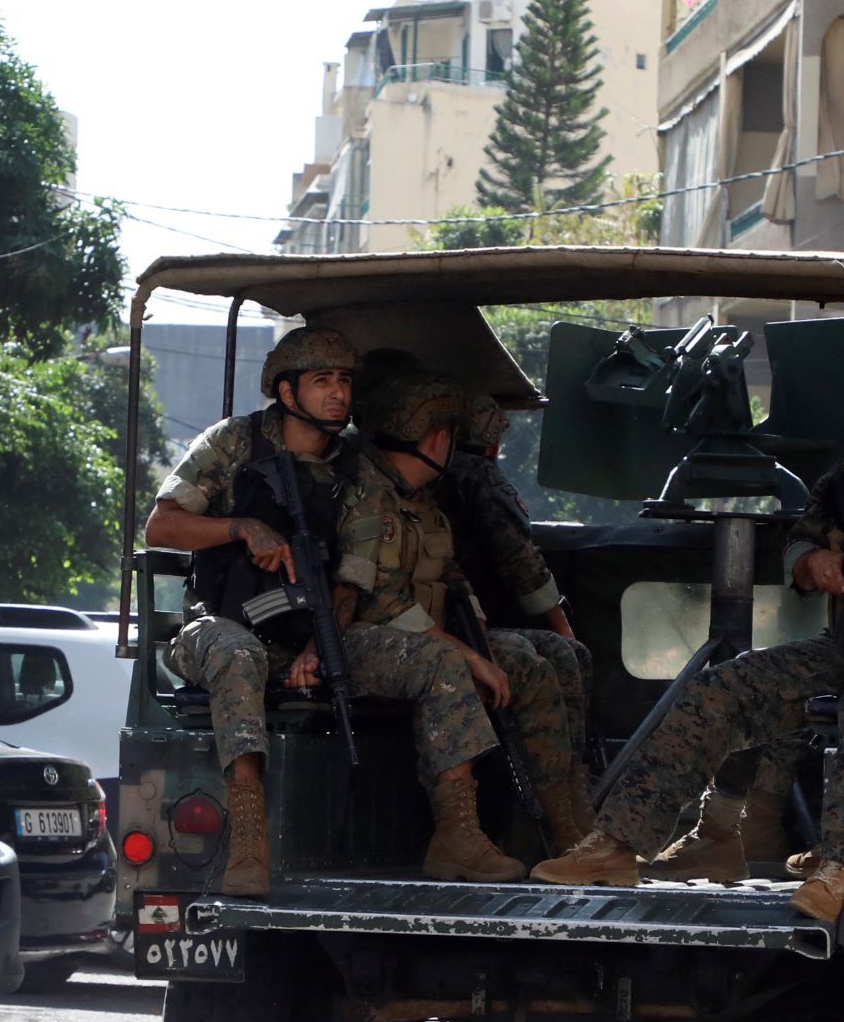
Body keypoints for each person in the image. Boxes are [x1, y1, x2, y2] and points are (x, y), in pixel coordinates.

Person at [535, 344, 844, 922]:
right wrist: (813, 566)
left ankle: (836, 867)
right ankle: (624, 843)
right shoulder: (843, 485)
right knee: (719, 689)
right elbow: (800, 543)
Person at [142, 327, 531, 893]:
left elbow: (354, 579)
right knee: (238, 654)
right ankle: (249, 846)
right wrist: (241, 527)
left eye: (345, 381)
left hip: (320, 632)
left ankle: (458, 837)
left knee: (440, 663)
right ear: (287, 390)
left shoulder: (359, 471)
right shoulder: (233, 443)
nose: (338, 394)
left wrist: (317, 650)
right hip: (218, 626)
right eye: (322, 381)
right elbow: (161, 525)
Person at [337, 368, 594, 878]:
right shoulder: (370, 497)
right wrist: (471, 654)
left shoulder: (424, 503)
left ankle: (563, 825)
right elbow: (385, 604)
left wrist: (481, 640)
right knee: (452, 662)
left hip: (426, 635)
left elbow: (455, 582)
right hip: (369, 640)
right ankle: (458, 834)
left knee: (543, 660)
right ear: (437, 439)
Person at [439, 393, 594, 779]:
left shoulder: (433, 473)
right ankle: (567, 777)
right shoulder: (479, 475)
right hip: (473, 619)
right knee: (565, 654)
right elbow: (520, 560)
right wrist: (563, 627)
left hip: (458, 615)